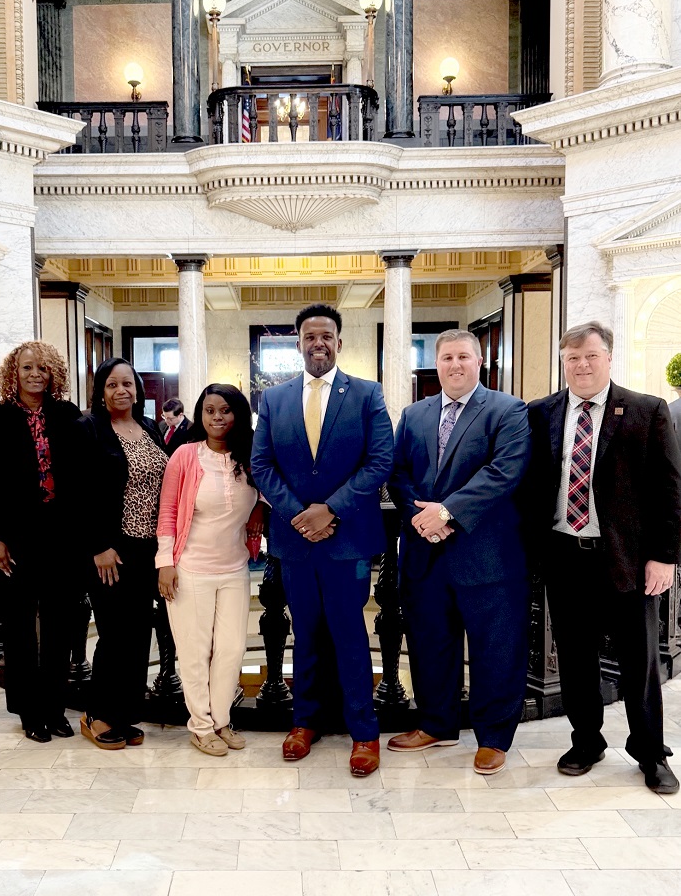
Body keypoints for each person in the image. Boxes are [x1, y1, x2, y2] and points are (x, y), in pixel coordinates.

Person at [525, 321, 681, 794]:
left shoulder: (646, 410)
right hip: (564, 555)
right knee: (574, 660)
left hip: (628, 562)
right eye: (572, 358)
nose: (582, 365)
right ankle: (587, 741)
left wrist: (664, 557)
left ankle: (650, 753)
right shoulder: (542, 413)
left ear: (608, 357)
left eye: (591, 356)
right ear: (563, 362)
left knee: (639, 663)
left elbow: (669, 490)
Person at [251, 304, 393, 777]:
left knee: (351, 634)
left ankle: (365, 732)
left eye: (326, 336)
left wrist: (329, 509)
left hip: (347, 541)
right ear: (298, 342)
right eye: (310, 336)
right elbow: (261, 466)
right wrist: (299, 514)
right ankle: (304, 721)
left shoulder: (368, 395)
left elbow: (380, 462)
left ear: (338, 342)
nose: (318, 343)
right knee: (305, 634)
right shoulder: (273, 400)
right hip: (295, 543)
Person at [387, 329, 531, 775]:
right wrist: (422, 517)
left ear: (479, 361)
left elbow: (504, 472)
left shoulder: (508, 411)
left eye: (464, 357)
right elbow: (398, 472)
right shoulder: (414, 414)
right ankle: (437, 724)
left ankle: (493, 737)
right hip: (424, 552)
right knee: (431, 643)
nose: (455, 365)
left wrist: (447, 513)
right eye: (447, 357)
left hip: (486, 554)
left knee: (495, 649)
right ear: (437, 364)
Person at [0, 342, 81, 742]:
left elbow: (81, 478)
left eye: (44, 369)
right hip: (13, 541)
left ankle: (54, 708)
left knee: (59, 629)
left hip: (61, 540)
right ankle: (29, 711)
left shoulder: (67, 415)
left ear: (54, 375)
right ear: (13, 374)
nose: (36, 374)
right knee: (18, 629)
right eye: (28, 368)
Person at [157, 384, 264, 756]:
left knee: (232, 650)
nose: (217, 417)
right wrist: (165, 563)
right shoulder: (185, 456)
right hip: (190, 570)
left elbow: (263, 497)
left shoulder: (249, 457)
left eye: (226, 410)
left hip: (234, 568)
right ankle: (201, 726)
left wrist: (259, 516)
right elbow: (168, 513)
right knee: (194, 651)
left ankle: (221, 720)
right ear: (200, 415)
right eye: (209, 410)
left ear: (238, 415)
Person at [72, 358, 168, 749]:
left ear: (137, 389)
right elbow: (79, 493)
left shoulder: (149, 427)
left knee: (138, 632)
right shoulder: (89, 428)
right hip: (112, 548)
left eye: (128, 384)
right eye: (112, 385)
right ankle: (96, 713)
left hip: (149, 547)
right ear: (101, 391)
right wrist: (99, 546)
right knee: (113, 634)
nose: (121, 391)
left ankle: (125, 713)